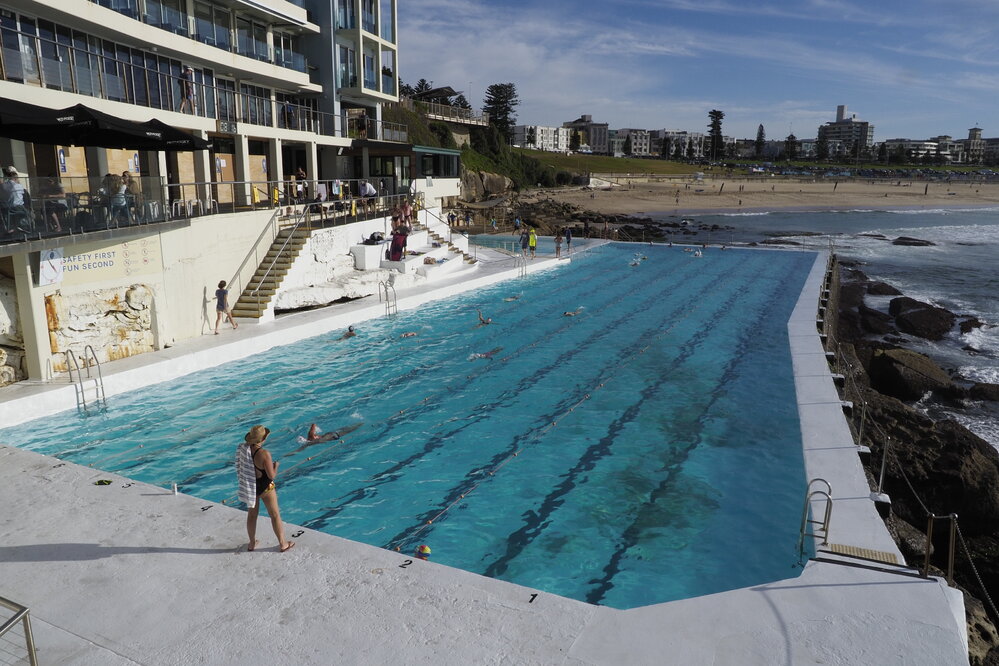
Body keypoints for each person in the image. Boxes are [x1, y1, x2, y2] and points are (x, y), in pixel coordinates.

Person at [236, 425, 294, 552]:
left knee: (252, 515)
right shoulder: (264, 454)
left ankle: (251, 543)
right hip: (266, 488)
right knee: (274, 515)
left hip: (251, 487)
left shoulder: (244, 450)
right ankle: (283, 544)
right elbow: (271, 475)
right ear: (262, 439)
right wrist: (276, 466)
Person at [1, 166, 31, 233]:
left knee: (12, 214)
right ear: (15, 178)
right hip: (18, 206)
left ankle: (14, 227)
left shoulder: (4, 185)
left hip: (8, 206)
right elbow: (23, 194)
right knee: (28, 211)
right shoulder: (18, 186)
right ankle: (24, 226)